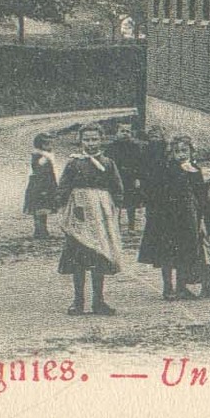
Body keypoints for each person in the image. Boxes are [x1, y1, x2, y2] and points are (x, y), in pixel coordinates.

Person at [56, 122, 127, 316]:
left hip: (101, 215)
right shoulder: (74, 163)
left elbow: (117, 186)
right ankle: (78, 301)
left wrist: (116, 207)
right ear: (80, 141)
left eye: (95, 139)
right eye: (86, 139)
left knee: (99, 257)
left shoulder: (107, 163)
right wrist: (63, 209)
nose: (91, 143)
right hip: (79, 211)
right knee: (78, 259)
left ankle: (99, 301)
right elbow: (63, 187)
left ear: (101, 140)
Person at [139, 135, 208, 300]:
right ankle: (168, 287)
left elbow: (200, 194)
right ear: (171, 154)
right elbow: (158, 191)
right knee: (168, 253)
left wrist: (201, 216)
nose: (181, 154)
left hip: (189, 215)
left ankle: (181, 286)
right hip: (168, 217)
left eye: (184, 151)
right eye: (177, 151)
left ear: (191, 151)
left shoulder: (195, 170)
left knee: (186, 251)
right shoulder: (167, 168)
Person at [105, 124, 146, 232]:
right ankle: (116, 225)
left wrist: (138, 178)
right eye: (122, 131)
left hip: (130, 179)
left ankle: (131, 226)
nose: (125, 134)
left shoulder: (135, 147)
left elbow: (140, 164)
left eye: (128, 131)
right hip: (115, 178)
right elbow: (107, 163)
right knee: (116, 202)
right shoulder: (111, 147)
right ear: (117, 133)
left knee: (131, 203)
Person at [23, 133, 60, 238]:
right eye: (47, 144)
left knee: (41, 209)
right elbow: (39, 172)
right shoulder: (42, 157)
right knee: (40, 209)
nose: (50, 146)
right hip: (41, 185)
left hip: (43, 184)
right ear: (40, 145)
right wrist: (43, 187)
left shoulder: (44, 156)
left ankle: (40, 230)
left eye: (50, 144)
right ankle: (41, 231)